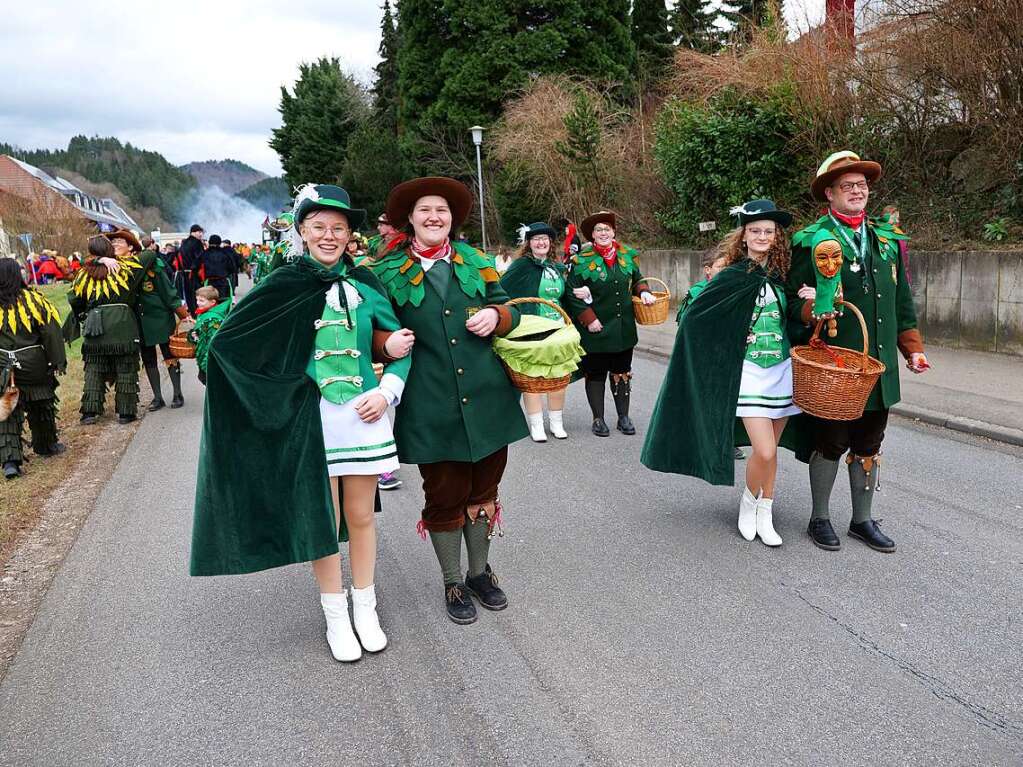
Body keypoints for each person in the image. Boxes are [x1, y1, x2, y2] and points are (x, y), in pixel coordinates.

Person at [191, 184, 414, 663]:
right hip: (311, 423)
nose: (329, 236)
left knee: (360, 517)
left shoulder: (367, 285)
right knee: (324, 519)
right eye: (319, 227)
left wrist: (386, 389)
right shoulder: (282, 283)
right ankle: (336, 615)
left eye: (338, 227)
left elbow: (400, 345)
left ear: (350, 234)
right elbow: (231, 345)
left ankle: (366, 608)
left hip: (363, 418)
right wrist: (282, 393)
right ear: (302, 231)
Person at [370, 176, 528, 625]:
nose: (434, 217)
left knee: (485, 488)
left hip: (488, 397)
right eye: (424, 210)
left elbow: (511, 308)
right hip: (429, 402)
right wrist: (386, 344)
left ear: (452, 219)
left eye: (441, 210)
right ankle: (452, 579)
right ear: (410, 220)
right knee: (444, 492)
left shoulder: (477, 263)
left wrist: (495, 315)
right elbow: (371, 329)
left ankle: (480, 573)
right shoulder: (383, 274)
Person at [642, 199, 809, 546]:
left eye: (768, 231)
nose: (762, 236)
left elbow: (793, 318)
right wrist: (730, 335)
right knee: (763, 450)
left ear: (776, 236)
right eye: (755, 231)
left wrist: (809, 299)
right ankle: (749, 505)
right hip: (747, 372)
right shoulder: (732, 275)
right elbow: (694, 320)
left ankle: (766, 512)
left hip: (780, 369)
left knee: (773, 450)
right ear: (744, 236)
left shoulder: (782, 277)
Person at [786, 151, 929, 553]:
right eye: (847, 186)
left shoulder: (886, 240)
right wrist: (809, 306)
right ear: (829, 194)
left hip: (877, 365)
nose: (857, 191)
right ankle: (820, 518)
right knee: (831, 441)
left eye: (862, 186)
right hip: (834, 366)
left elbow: (901, 300)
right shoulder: (811, 241)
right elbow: (790, 299)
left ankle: (862, 520)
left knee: (871, 442)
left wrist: (912, 349)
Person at [564, 211, 656, 437]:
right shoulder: (581, 262)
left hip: (623, 329)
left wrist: (644, 292)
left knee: (622, 372)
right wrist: (589, 319)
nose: (603, 233)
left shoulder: (626, 257)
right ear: (592, 236)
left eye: (607, 229)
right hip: (596, 330)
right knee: (595, 374)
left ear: (614, 232)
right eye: (599, 230)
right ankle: (598, 419)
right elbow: (570, 292)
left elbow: (638, 279)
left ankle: (623, 417)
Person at [68, 231, 153, 424]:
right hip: (122, 326)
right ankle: (125, 413)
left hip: (94, 326)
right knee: (126, 367)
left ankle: (89, 412)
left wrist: (98, 261)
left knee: (94, 369)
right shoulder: (126, 268)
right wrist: (109, 258)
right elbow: (150, 254)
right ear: (109, 250)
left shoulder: (84, 273)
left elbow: (74, 298)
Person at [501, 221, 571, 441]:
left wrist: (578, 294)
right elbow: (502, 290)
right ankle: (537, 424)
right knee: (533, 377)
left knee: (559, 376)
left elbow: (562, 296)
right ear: (529, 243)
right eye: (536, 239)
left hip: (557, 328)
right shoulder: (522, 265)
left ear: (550, 243)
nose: (541, 242)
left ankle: (557, 423)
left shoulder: (555, 267)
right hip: (532, 329)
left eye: (545, 239)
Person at [0, 258, 67, 479]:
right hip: (33, 365)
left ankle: (10, 461)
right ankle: (46, 445)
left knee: (8, 409)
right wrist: (57, 361)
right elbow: (51, 333)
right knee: (42, 403)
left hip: (2, 367)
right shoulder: (35, 301)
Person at [678, 248, 746, 461]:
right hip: (706, 356)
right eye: (721, 267)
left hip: (731, 354)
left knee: (730, 399)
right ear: (708, 270)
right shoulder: (699, 292)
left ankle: (728, 442)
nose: (727, 271)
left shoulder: (737, 290)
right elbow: (689, 328)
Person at [137, 241, 189, 411]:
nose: (115, 244)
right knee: (148, 358)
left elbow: (169, 293)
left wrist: (184, 315)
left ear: (131, 246)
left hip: (160, 318)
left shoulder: (154, 267)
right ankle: (157, 397)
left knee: (169, 354)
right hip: (140, 320)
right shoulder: (123, 268)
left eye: (119, 242)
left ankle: (177, 393)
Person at [189, 286, 230, 385]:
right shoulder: (204, 313)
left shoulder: (213, 319)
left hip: (209, 362)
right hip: (204, 359)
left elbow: (212, 343)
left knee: (213, 386)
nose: (198, 303)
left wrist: (205, 365)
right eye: (197, 300)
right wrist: (194, 334)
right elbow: (203, 334)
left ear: (212, 302)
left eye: (202, 300)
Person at [197, 235, 235, 299]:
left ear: (209, 242)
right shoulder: (225, 253)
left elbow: (196, 267)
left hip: (209, 282)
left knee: (209, 301)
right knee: (223, 302)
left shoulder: (204, 254)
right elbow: (232, 268)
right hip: (223, 282)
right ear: (220, 243)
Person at [178, 224, 204, 313]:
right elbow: (200, 258)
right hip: (195, 273)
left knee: (189, 294)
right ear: (193, 232)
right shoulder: (197, 243)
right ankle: (199, 313)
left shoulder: (184, 243)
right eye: (199, 232)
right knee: (198, 294)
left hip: (184, 272)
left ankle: (193, 313)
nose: (201, 234)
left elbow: (179, 258)